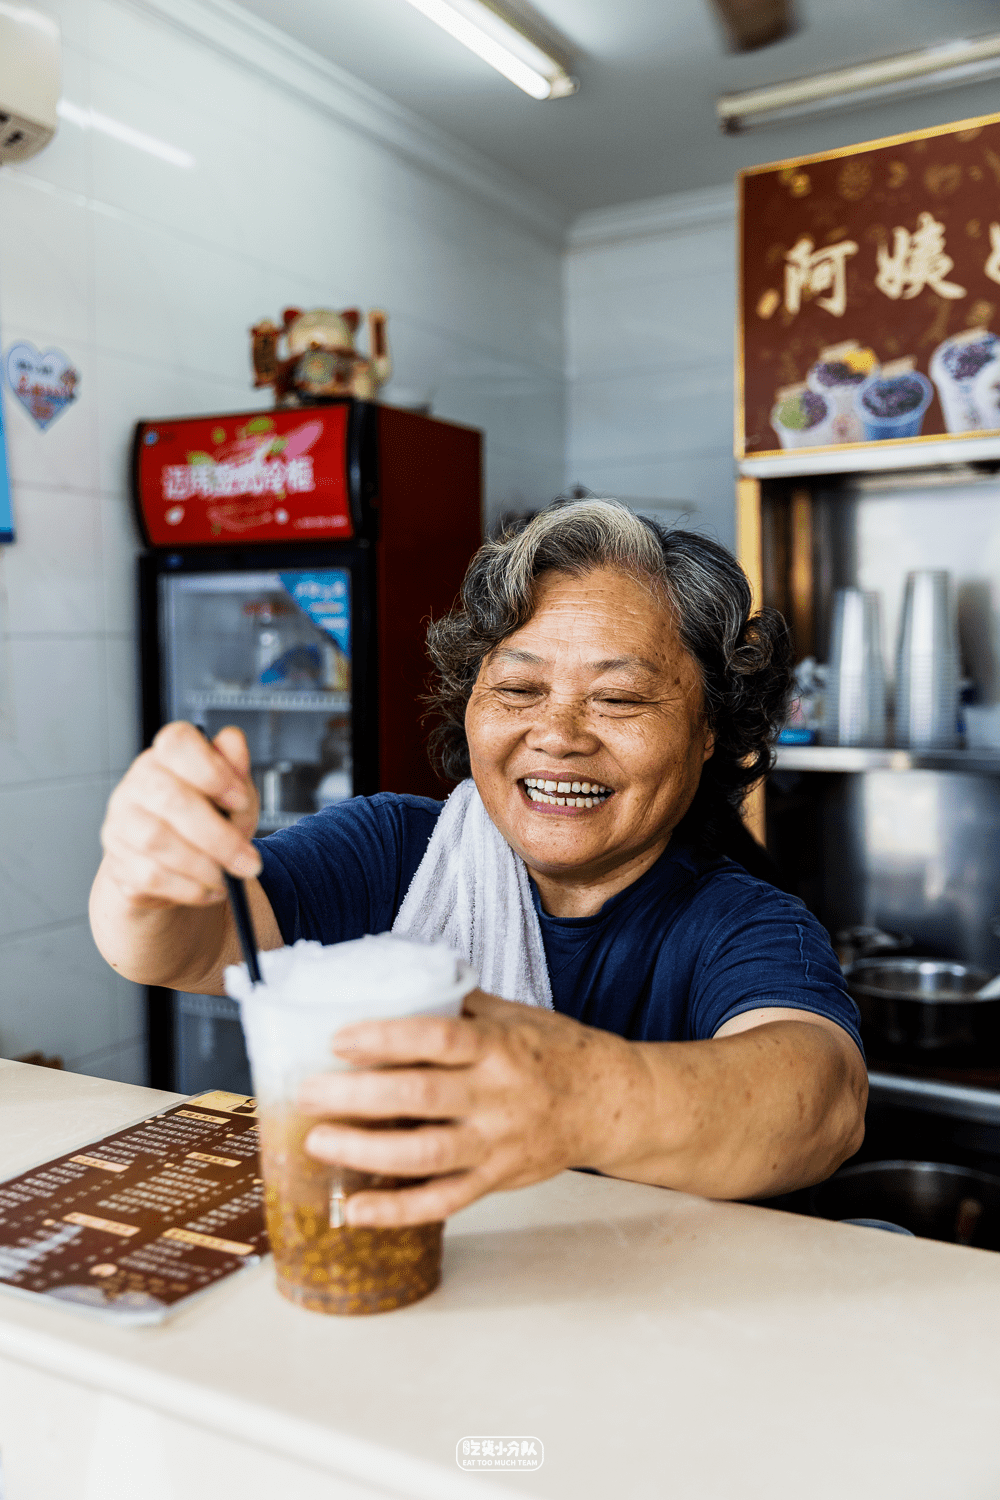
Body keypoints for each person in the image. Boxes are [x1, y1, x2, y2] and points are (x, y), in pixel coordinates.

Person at [91, 499, 866, 1228]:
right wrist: (143, 876)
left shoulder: (745, 923)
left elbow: (823, 1104)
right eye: (518, 687)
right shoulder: (398, 853)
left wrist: (576, 1099)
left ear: (709, 731)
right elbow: (185, 948)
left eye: (620, 699)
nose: (557, 733)